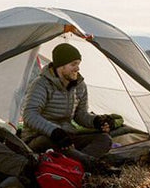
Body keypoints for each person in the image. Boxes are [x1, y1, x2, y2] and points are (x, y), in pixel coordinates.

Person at [19, 42, 119, 172]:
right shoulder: (41, 84)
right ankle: (94, 166)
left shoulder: (79, 85)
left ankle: (72, 166)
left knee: (104, 139)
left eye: (78, 64)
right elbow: (29, 115)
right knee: (50, 142)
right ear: (61, 66)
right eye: (73, 64)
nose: (77, 68)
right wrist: (54, 131)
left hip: (67, 138)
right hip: (40, 138)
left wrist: (97, 121)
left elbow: (81, 115)